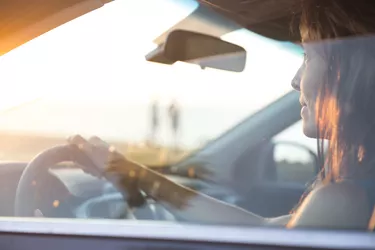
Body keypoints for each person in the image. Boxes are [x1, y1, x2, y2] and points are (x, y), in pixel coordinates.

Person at [68, 0, 375, 229]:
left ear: (351, 73)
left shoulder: (342, 200)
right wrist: (134, 174)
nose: (295, 80)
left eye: (308, 56)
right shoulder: (352, 193)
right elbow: (261, 230)